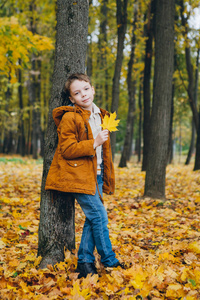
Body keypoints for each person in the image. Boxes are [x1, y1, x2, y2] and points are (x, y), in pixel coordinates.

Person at [45, 73, 123, 278]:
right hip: (79, 176)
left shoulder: (101, 115)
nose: (83, 95)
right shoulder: (70, 117)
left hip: (96, 175)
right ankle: (110, 261)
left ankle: (85, 263)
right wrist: (94, 142)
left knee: (92, 219)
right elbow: (67, 149)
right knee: (99, 216)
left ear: (93, 89)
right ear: (72, 99)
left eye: (86, 89)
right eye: (77, 93)